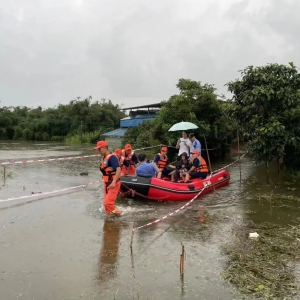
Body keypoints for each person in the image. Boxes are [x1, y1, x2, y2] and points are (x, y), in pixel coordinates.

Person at [93, 140, 122, 215]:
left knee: (107, 203)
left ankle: (119, 214)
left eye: (100, 149)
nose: (99, 151)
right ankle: (110, 221)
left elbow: (118, 169)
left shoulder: (112, 158)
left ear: (105, 147)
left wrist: (113, 182)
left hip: (113, 184)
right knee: (106, 206)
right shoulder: (103, 158)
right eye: (98, 149)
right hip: (106, 183)